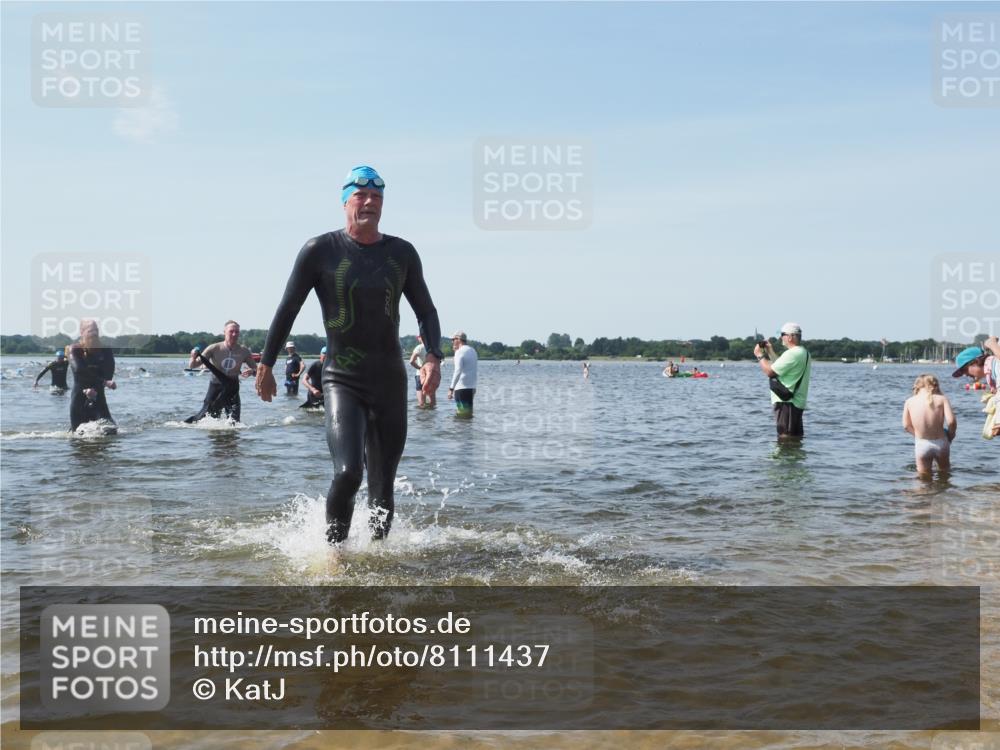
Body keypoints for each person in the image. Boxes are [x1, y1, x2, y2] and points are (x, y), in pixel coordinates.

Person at [255, 165, 443, 544]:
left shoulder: (402, 253)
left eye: (376, 197)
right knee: (347, 473)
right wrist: (266, 363)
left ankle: (377, 556)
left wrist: (435, 357)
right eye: (361, 195)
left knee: (382, 484)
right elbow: (288, 307)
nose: (369, 202)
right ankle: (335, 556)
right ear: (345, 202)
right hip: (342, 378)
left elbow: (427, 310)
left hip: (390, 379)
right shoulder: (319, 251)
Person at [185, 320, 256, 423]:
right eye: (231, 331)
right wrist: (193, 355)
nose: (234, 334)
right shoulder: (214, 348)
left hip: (232, 388)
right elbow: (193, 365)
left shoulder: (243, 351)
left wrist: (252, 372)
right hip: (215, 386)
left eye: (237, 332)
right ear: (224, 332)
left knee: (234, 422)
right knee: (208, 419)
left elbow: (258, 371)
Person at [754, 322, 811, 439]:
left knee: (785, 437)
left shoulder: (793, 353)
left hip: (787, 403)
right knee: (795, 438)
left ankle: (785, 457)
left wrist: (759, 355)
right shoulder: (803, 352)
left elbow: (770, 372)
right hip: (796, 403)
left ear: (790, 337)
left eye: (782, 334)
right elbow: (780, 366)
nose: (781, 337)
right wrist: (770, 351)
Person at [902, 374, 957, 475]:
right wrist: (951, 435)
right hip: (941, 442)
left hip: (922, 443)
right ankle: (945, 490)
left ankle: (924, 490)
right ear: (935, 386)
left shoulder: (909, 401)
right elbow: (951, 422)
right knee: (944, 473)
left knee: (923, 477)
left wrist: (917, 434)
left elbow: (906, 425)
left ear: (917, 387)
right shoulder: (942, 399)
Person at [69, 319, 117, 431]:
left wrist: (105, 382)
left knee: (111, 430)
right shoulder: (75, 349)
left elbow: (109, 372)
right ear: (82, 332)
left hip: (98, 397)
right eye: (90, 331)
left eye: (96, 330)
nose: (94, 334)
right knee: (77, 435)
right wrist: (101, 383)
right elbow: (79, 370)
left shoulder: (106, 350)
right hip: (79, 398)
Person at [952, 336, 1000, 438]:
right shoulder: (992, 370)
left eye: (964, 370)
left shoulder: (996, 365)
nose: (965, 374)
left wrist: (999, 421)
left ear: (975, 362)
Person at [448, 331, 478, 417]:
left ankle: (461, 430)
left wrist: (451, 388)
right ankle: (468, 430)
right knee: (468, 415)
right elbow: (472, 369)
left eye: (453, 339)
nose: (452, 342)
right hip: (471, 388)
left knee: (461, 416)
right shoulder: (473, 350)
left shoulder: (459, 352)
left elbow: (458, 370)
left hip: (461, 388)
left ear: (458, 340)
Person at [409, 335, 435, 407]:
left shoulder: (419, 347)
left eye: (418, 337)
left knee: (421, 403)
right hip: (431, 375)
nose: (418, 339)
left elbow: (411, 361)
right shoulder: (433, 347)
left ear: (421, 338)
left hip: (420, 375)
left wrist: (420, 368)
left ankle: (422, 417)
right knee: (432, 403)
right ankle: (431, 417)